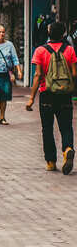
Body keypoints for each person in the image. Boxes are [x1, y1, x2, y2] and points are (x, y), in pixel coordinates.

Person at [26, 21, 77, 173]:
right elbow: (74, 73)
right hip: (65, 94)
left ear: (48, 33)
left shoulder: (40, 50)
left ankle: (51, 161)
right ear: (63, 34)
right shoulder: (69, 50)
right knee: (66, 127)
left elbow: (38, 74)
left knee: (47, 128)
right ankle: (67, 149)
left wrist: (31, 98)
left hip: (46, 94)